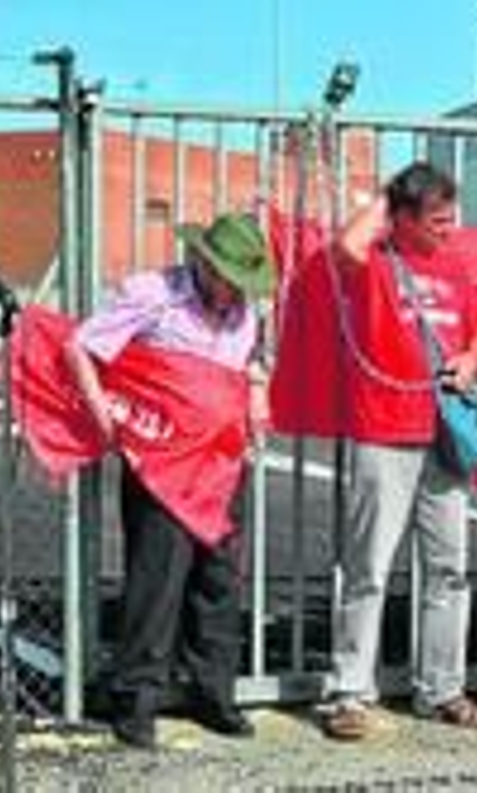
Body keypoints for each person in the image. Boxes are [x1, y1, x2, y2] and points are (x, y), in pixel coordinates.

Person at [66, 213, 276, 748]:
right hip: (161, 462)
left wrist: (255, 390)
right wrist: (101, 412)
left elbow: (250, 360)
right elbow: (82, 346)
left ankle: (213, 692)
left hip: (224, 461)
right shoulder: (152, 293)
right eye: (229, 277)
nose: (235, 293)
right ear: (204, 263)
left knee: (219, 580)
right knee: (157, 579)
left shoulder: (246, 310)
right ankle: (136, 697)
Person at [321, 162, 477, 740]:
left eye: (453, 217)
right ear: (402, 219)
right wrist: (382, 204)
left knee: (448, 569)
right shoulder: (373, 264)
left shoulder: (459, 269)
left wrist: (471, 362)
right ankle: (351, 692)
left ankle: (440, 687)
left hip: (443, 437)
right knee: (368, 566)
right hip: (384, 431)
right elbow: (344, 245)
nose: (449, 228)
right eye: (437, 219)